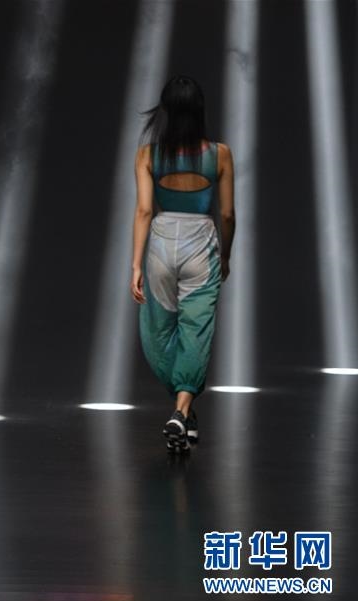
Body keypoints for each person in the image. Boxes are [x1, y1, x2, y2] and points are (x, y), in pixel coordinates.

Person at [130, 75, 235, 453]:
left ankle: (183, 410)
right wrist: (226, 254)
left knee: (159, 332)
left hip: (160, 244)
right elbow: (227, 214)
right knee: (196, 330)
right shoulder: (220, 154)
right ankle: (183, 410)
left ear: (166, 112)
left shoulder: (148, 155)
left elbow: (144, 211)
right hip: (201, 245)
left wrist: (136, 265)